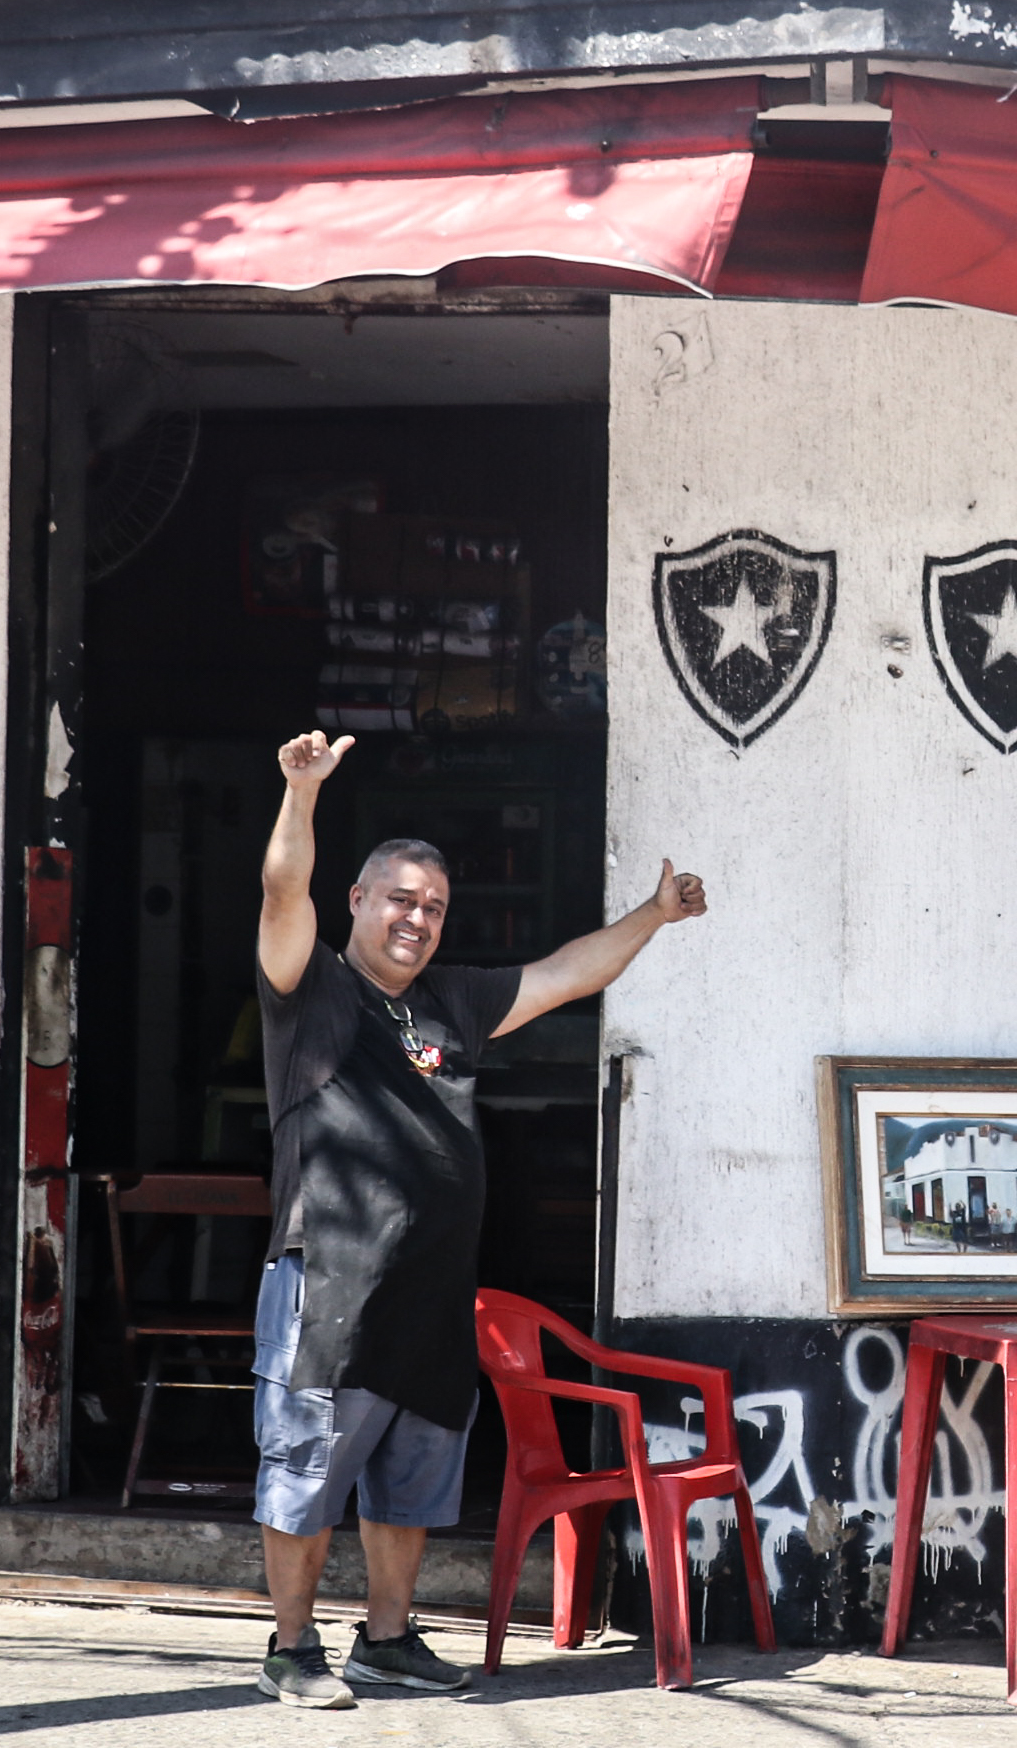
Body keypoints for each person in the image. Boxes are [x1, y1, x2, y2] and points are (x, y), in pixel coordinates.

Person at [251, 730, 710, 1709]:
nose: (416, 919)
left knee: (409, 1480)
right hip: (327, 1277)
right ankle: (291, 1648)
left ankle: (387, 1638)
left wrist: (656, 913)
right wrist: (302, 795)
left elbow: (566, 973)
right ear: (359, 903)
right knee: (304, 1469)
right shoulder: (312, 990)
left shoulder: (451, 1002)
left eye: (433, 906)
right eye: (400, 899)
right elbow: (280, 892)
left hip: (428, 1291)